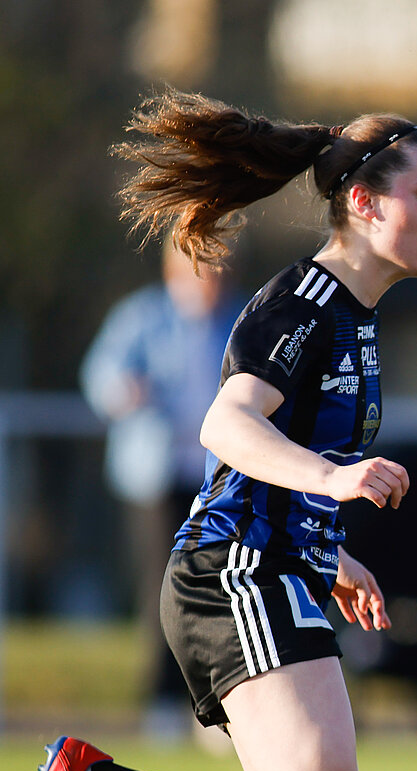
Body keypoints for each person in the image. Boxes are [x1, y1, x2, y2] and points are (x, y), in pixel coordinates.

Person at [4, 90, 417, 771]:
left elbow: (271, 459)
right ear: (367, 205)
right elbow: (226, 426)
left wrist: (330, 549)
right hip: (228, 573)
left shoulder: (358, 319)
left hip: (269, 564)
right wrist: (334, 482)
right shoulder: (303, 303)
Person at [80, 237, 244, 740]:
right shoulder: (142, 317)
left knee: (222, 586)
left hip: (219, 479)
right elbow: (101, 376)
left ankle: (215, 703)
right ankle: (162, 701)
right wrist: (125, 391)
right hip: (156, 475)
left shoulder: (239, 319)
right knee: (164, 585)